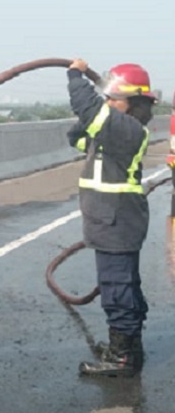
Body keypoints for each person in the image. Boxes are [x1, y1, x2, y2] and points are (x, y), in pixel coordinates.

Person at [66, 58, 155, 377]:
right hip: (113, 222)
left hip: (116, 223)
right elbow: (76, 134)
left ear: (132, 103)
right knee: (124, 287)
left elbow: (89, 110)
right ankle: (130, 349)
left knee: (117, 290)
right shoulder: (112, 134)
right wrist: (98, 101)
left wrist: (76, 76)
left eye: (113, 98)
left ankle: (121, 358)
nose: (107, 103)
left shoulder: (128, 130)